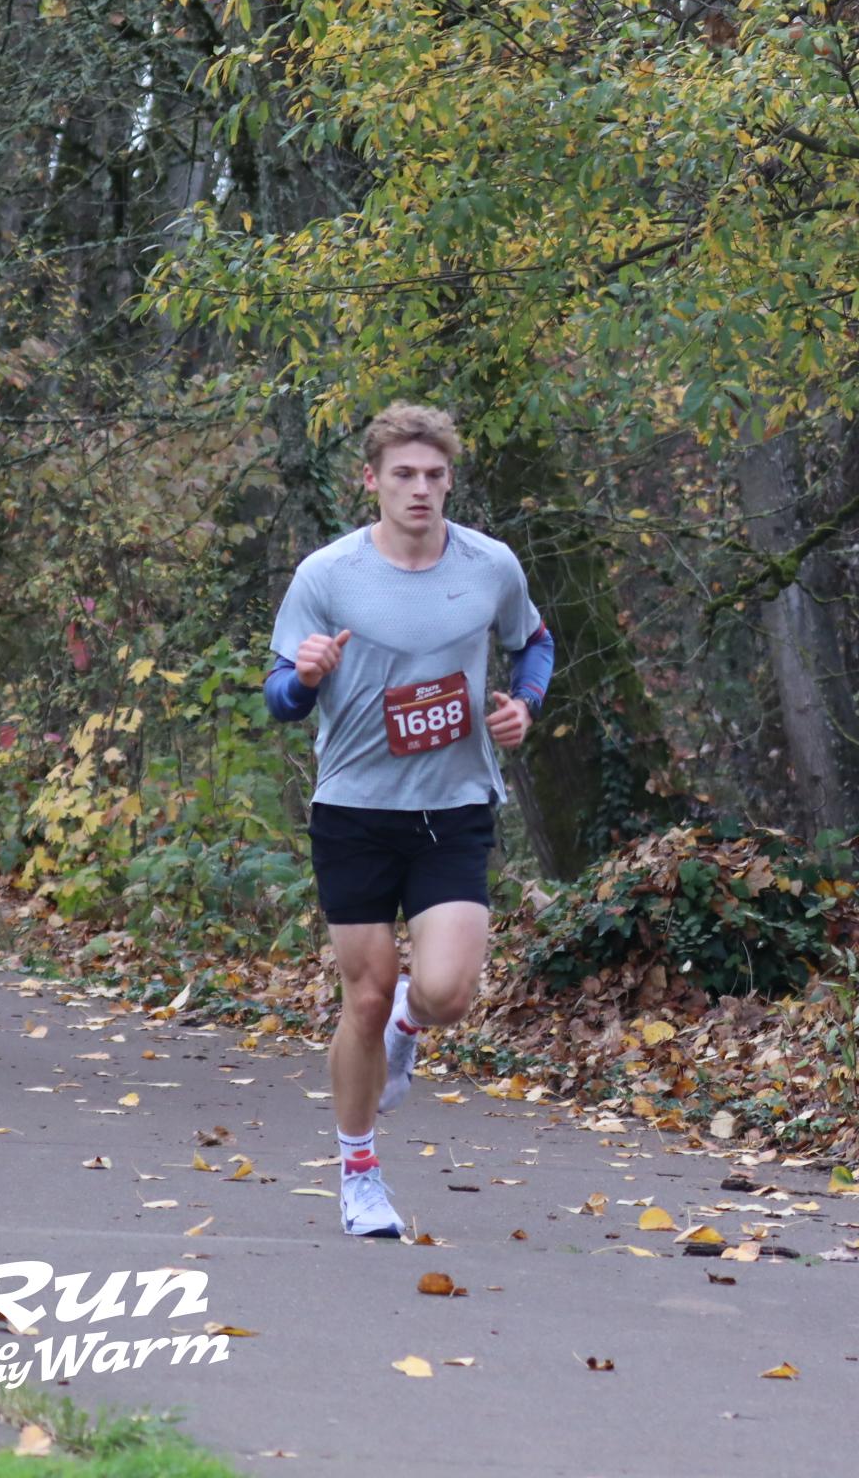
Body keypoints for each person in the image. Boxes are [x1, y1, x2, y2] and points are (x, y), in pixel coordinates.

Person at [265, 401, 553, 1239]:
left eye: (434, 475)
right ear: (372, 481)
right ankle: (359, 1174)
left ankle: (410, 1023)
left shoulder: (490, 565)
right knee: (362, 997)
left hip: (452, 806)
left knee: (446, 992)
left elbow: (534, 642)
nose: (420, 489)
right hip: (353, 809)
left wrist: (525, 705)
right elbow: (279, 698)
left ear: (450, 480)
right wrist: (305, 678)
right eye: (403, 475)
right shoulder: (328, 575)